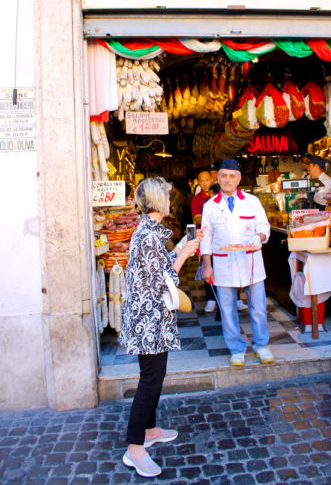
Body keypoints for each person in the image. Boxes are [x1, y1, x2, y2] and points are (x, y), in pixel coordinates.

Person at [119, 177, 200, 478]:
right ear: (157, 200)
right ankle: (134, 448)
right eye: (167, 196)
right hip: (148, 320)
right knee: (151, 380)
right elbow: (163, 280)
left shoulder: (149, 232)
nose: (171, 200)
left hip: (151, 318)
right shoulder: (147, 235)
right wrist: (183, 256)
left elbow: (158, 265)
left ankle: (150, 430)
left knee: (153, 376)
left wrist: (181, 246)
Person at [200, 158, 273, 368]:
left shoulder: (252, 201)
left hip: (251, 262)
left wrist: (258, 238)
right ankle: (236, 349)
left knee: (258, 307)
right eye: (223, 175)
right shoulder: (210, 206)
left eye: (232, 176)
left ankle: (261, 345)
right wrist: (207, 264)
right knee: (227, 309)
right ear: (218, 178)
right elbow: (206, 237)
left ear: (238, 179)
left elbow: (264, 226)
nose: (227, 180)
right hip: (223, 263)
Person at [191, 170, 217, 312]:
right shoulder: (196, 200)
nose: (205, 183)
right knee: (207, 267)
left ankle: (236, 298)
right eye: (201, 181)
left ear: (211, 180)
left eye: (207, 180)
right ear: (198, 183)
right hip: (205, 237)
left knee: (226, 265)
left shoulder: (219, 195)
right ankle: (211, 299)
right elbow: (197, 218)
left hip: (220, 238)